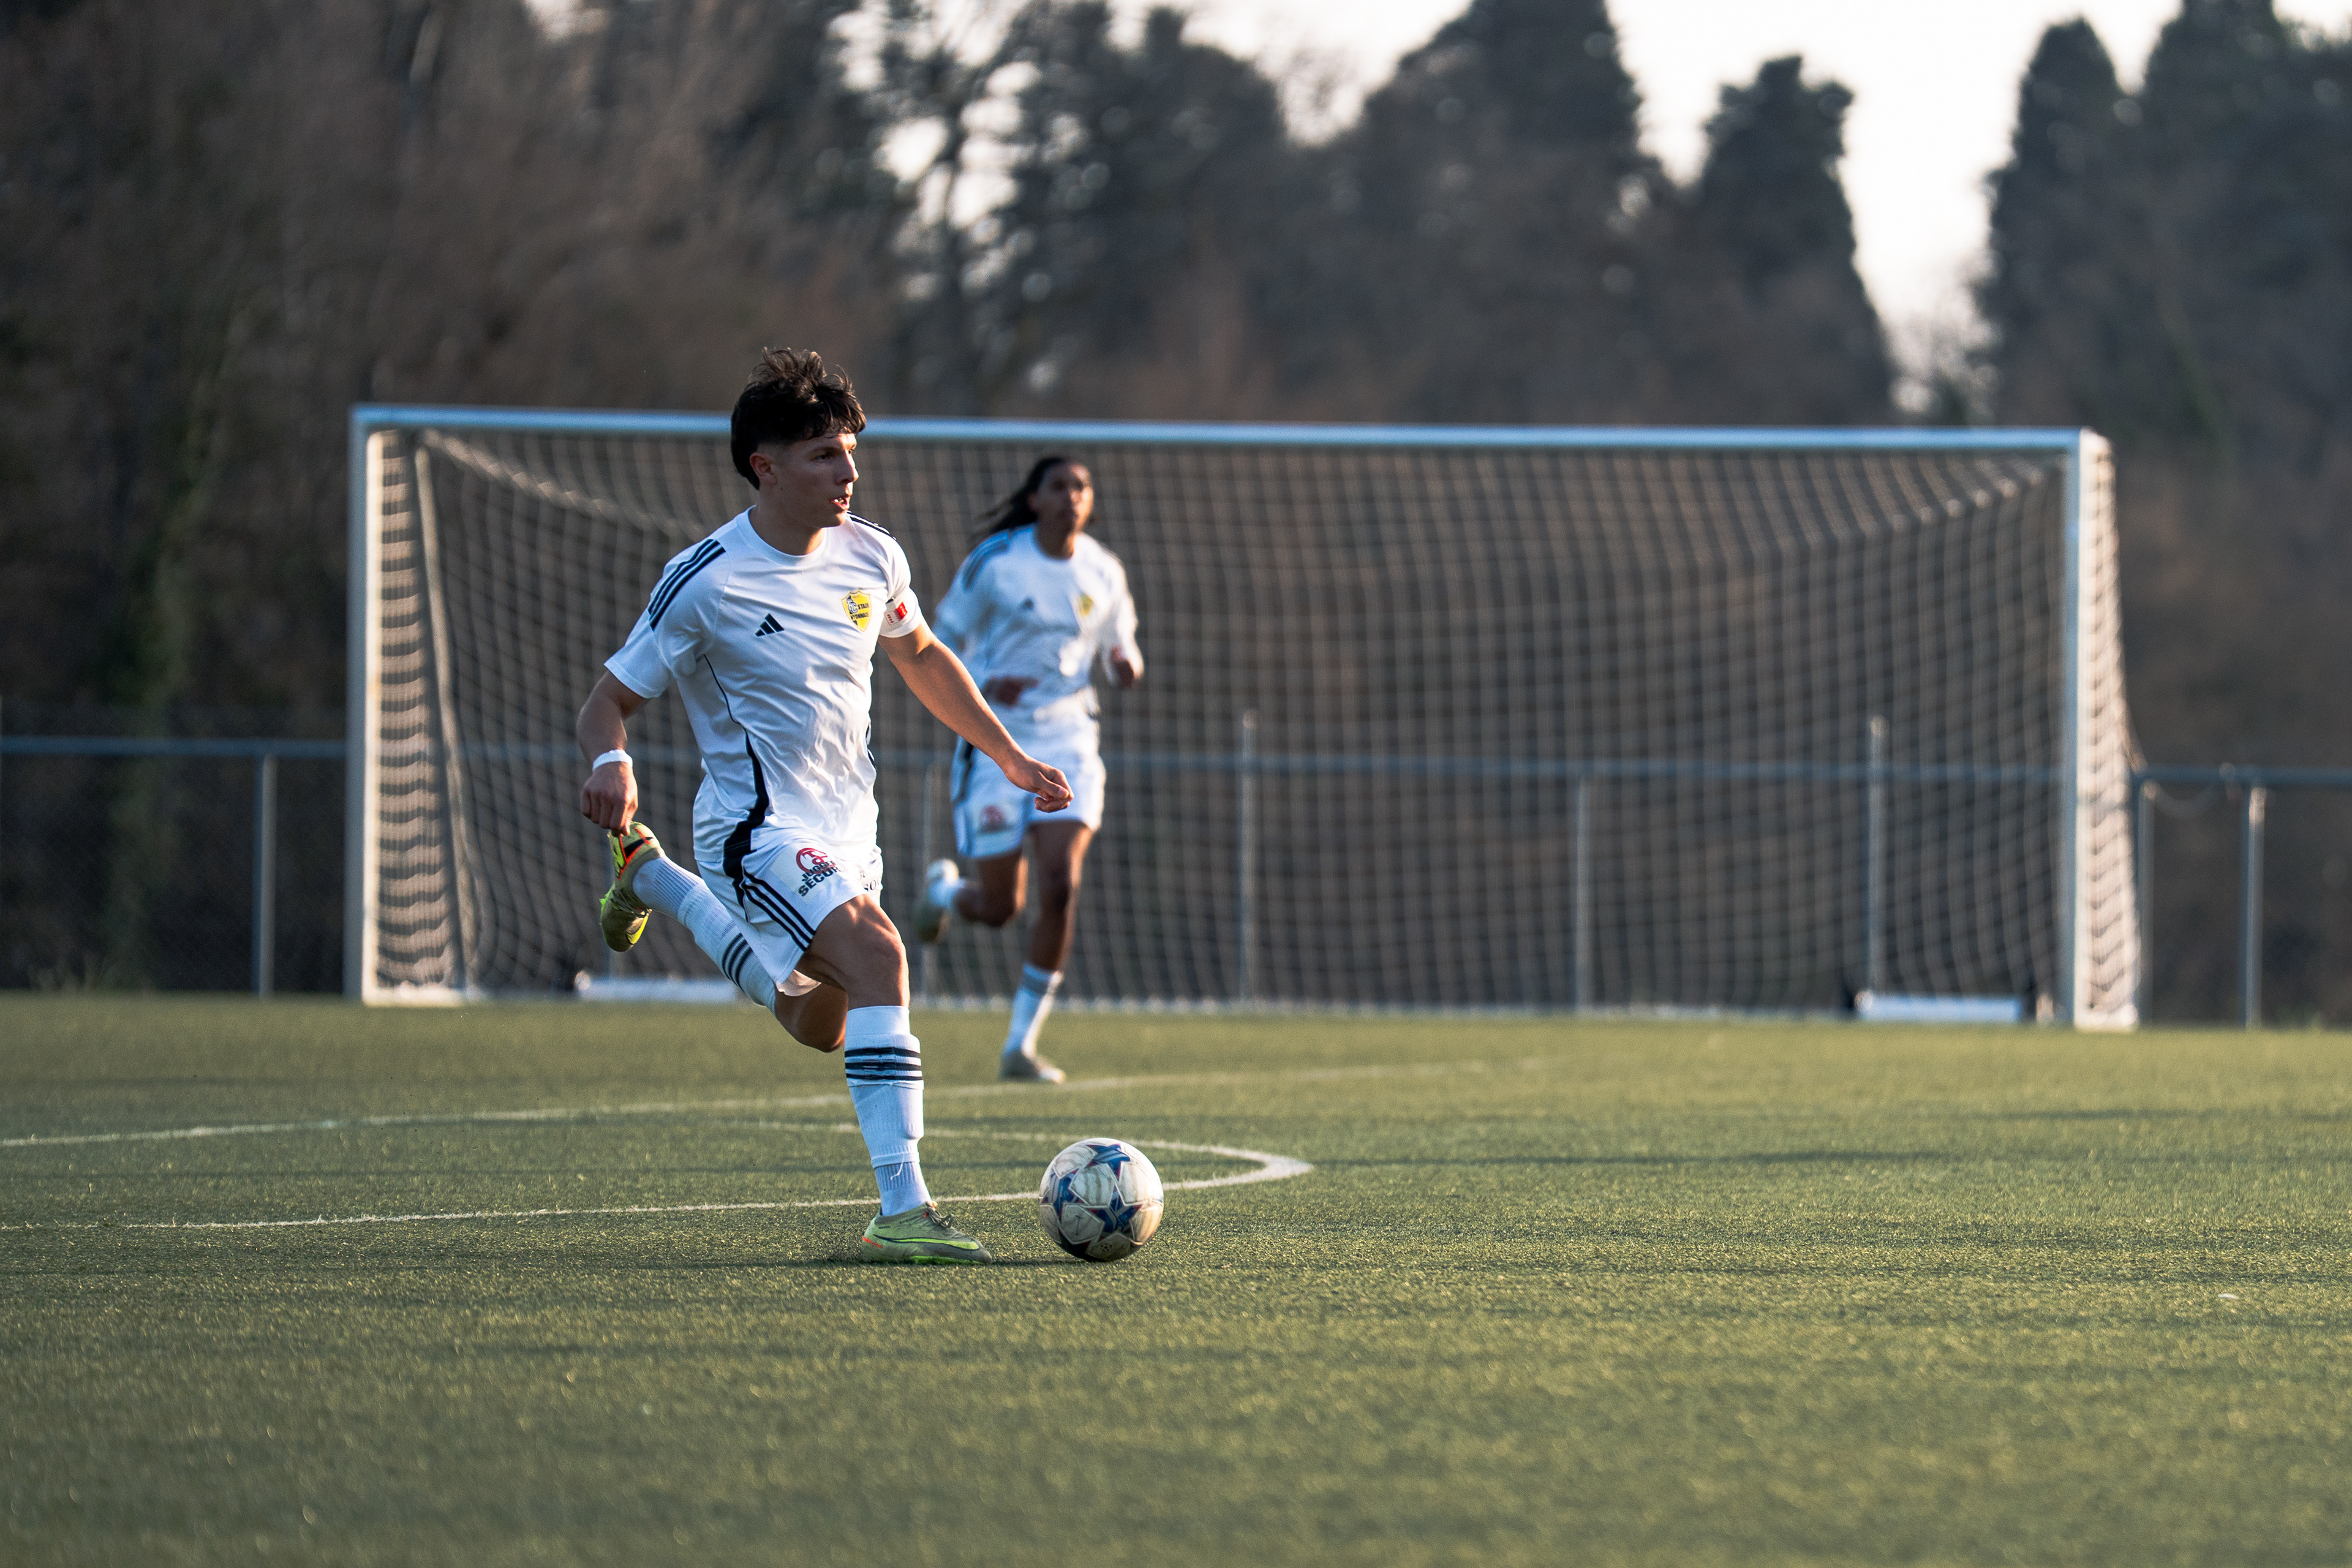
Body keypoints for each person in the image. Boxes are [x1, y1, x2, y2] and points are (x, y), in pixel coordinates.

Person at [575, 348, 1072, 1264]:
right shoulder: (706, 579)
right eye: (823, 456)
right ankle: (905, 1208)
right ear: (765, 467)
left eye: (849, 452)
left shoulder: (874, 555)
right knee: (882, 955)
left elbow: (921, 656)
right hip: (755, 833)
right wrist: (612, 760)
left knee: (819, 1022)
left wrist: (1008, 754)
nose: (848, 472)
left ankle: (654, 881)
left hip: (850, 833)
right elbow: (606, 699)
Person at [911, 456, 1142, 1084]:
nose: (1072, 496)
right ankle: (947, 893)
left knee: (1060, 883)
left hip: (1070, 737)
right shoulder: (995, 562)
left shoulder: (1104, 569)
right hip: (999, 740)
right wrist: (987, 682)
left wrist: (1124, 665)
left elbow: (1121, 645)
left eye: (1082, 487)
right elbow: (933, 643)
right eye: (1059, 486)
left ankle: (1020, 1046)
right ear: (1035, 499)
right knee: (998, 907)